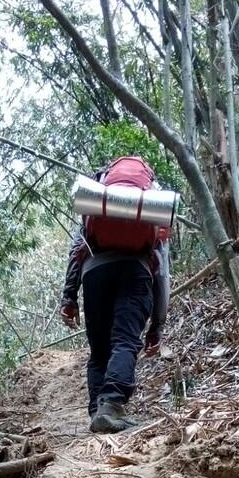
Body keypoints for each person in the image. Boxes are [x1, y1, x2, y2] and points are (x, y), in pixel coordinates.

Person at [59, 157, 171, 434]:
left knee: (99, 351)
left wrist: (69, 297)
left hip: (94, 273)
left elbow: (77, 251)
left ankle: (99, 410)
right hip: (135, 271)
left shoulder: (98, 202)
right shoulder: (150, 204)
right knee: (125, 340)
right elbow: (163, 270)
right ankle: (110, 405)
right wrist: (157, 325)